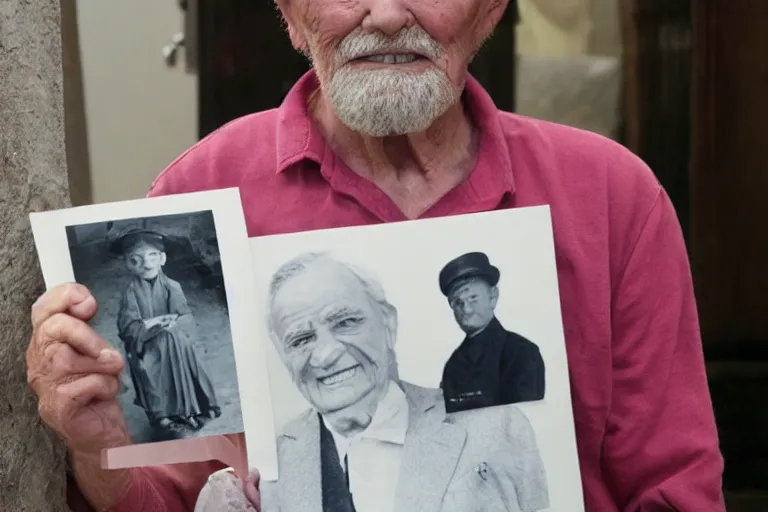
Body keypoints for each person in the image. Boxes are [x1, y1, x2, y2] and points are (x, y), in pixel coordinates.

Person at [25, 0, 726, 510]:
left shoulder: (612, 197)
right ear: (291, 13)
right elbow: (166, 500)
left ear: (491, 11)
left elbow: (675, 490)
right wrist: (99, 450)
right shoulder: (203, 187)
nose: (387, 15)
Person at [255, 251, 548, 512]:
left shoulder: (499, 426)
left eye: (345, 322)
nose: (325, 355)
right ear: (284, 356)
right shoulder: (269, 464)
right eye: (301, 339)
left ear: (389, 325)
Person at [112, 228, 221, 435]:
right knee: (151, 362)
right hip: (147, 345)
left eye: (152, 256)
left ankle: (194, 409)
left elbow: (185, 316)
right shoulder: (131, 294)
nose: (146, 264)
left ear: (162, 258)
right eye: (137, 259)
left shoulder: (172, 286)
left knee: (182, 346)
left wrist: (174, 324)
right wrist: (149, 326)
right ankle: (163, 416)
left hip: (177, 342)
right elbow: (127, 327)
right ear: (128, 263)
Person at [438, 252, 545, 413]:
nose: (466, 309)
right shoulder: (453, 365)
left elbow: (524, 421)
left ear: (493, 297)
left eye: (473, 298)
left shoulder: (521, 353)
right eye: (458, 303)